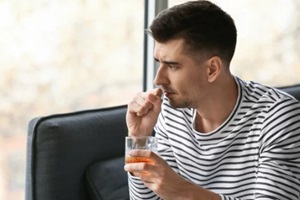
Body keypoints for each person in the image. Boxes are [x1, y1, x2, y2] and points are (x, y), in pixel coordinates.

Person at [124, 0, 300, 199]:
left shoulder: (278, 118)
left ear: (212, 69)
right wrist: (139, 140)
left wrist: (182, 191)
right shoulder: (170, 111)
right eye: (159, 63)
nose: (158, 79)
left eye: (172, 66)